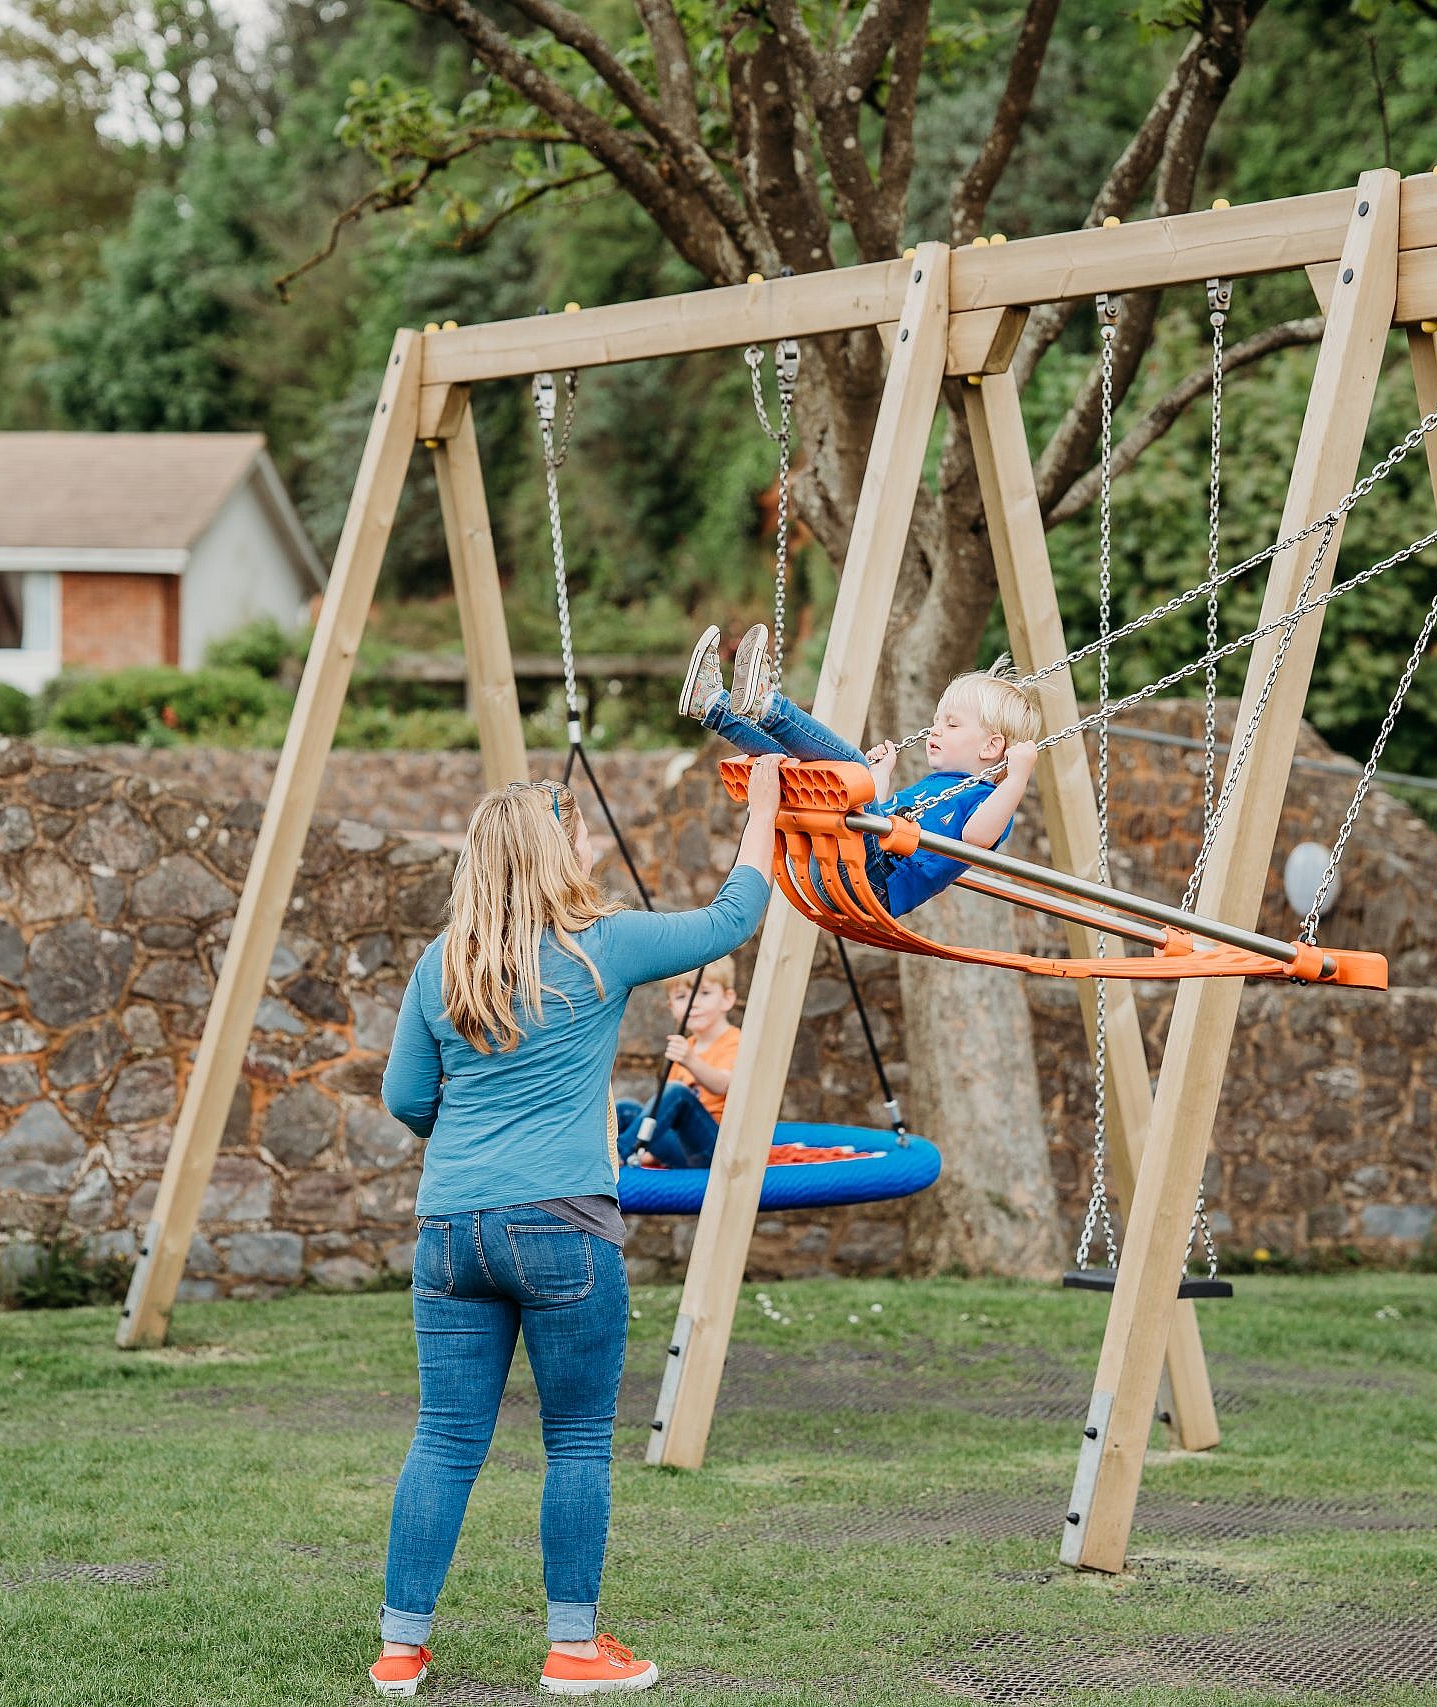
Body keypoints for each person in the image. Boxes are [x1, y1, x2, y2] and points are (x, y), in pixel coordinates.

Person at [371, 762, 785, 1698]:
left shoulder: (441, 963)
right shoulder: (604, 944)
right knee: (578, 1439)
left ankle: (400, 1649)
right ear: (557, 855)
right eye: (582, 835)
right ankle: (570, 1648)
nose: (593, 846)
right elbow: (730, 920)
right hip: (563, 1226)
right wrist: (763, 812)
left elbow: (406, 1098)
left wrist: (478, 1145)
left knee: (443, 1437)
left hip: (450, 1233)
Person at [679, 622, 1043, 917]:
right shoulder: (937, 785)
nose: (935, 729)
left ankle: (769, 707)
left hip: (872, 881)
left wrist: (1018, 778)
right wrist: (880, 778)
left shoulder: (988, 800)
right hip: (842, 867)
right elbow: (877, 818)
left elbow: (978, 838)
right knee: (807, 774)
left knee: (849, 768)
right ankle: (712, 705)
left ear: (992, 747)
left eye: (952, 724)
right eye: (936, 720)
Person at [613, 958, 740, 1169]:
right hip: (683, 1150)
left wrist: (690, 1060)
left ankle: (619, 1154)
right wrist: (653, 1153)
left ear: (727, 999)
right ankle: (592, 1153)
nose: (694, 1003)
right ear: (671, 1007)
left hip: (716, 1148)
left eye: (705, 993)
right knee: (625, 1109)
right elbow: (666, 1118)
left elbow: (724, 1085)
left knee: (677, 1093)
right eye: (682, 997)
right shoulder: (685, 1046)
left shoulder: (734, 1040)